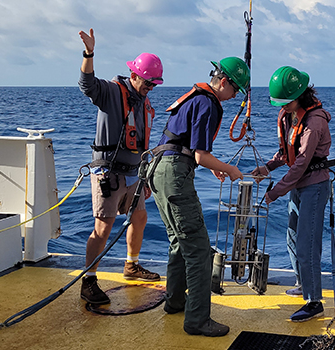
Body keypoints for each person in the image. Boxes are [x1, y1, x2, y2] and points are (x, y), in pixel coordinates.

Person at [148, 57, 249, 337]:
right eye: (235, 90)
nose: (234, 97)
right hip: (175, 176)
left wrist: (214, 167)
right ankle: (197, 320)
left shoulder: (196, 98)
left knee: (178, 242)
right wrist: (228, 169)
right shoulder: (208, 103)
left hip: (157, 170)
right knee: (199, 249)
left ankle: (175, 301)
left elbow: (186, 148)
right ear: (224, 82)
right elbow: (200, 155)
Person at [77, 28, 161, 305]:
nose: (150, 89)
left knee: (140, 218)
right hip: (109, 174)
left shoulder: (143, 102)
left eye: (154, 85)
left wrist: (145, 178)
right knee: (103, 226)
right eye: (148, 83)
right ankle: (88, 281)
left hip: (134, 174)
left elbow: (143, 144)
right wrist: (89, 53)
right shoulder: (112, 92)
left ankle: (131, 265)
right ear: (134, 75)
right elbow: (87, 85)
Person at [250, 66, 332, 322]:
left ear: (300, 96)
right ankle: (302, 283)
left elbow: (301, 163)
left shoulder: (314, 121)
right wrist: (268, 167)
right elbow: (286, 153)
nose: (282, 107)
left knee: (308, 245)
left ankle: (314, 301)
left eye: (286, 103)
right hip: (297, 187)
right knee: (293, 237)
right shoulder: (290, 116)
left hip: (314, 187)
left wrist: (274, 192)